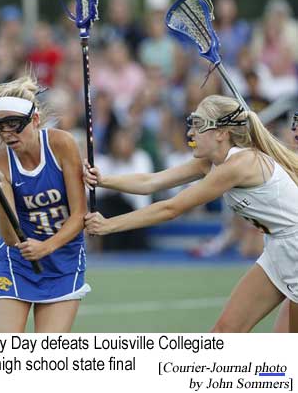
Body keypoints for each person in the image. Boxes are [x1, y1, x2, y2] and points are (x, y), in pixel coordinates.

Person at [84, 94, 298, 332]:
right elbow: (150, 181)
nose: (190, 133)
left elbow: (171, 208)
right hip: (278, 249)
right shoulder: (211, 163)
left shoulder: (239, 165)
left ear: (221, 133)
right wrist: (103, 180)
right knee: (223, 332)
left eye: (198, 125)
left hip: (295, 247)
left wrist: (109, 225)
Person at [0, 74, 90, 333]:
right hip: (17, 261)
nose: (6, 133)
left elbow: (79, 215)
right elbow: (9, 237)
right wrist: (0, 189)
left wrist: (46, 247)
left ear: (35, 120)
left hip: (63, 259)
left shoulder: (62, 144)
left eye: (14, 124)